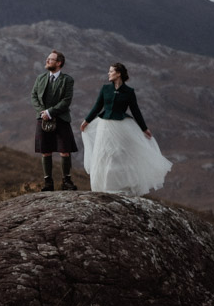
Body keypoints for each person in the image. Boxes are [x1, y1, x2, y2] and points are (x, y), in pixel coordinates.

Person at [80, 62, 172, 196]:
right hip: (104, 126)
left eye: (111, 71)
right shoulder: (105, 89)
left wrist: (144, 128)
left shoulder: (129, 92)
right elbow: (97, 107)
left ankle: (120, 187)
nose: (108, 73)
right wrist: (86, 121)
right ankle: (103, 187)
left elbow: (136, 111)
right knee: (103, 154)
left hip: (121, 128)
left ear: (118, 74)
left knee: (119, 156)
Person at [30, 50, 78, 191]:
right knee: (46, 150)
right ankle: (48, 183)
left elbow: (66, 101)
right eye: (47, 58)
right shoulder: (40, 78)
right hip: (42, 118)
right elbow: (33, 96)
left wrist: (51, 112)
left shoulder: (67, 80)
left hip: (61, 118)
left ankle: (66, 181)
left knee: (65, 150)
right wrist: (42, 112)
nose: (47, 61)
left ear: (59, 63)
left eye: (50, 59)